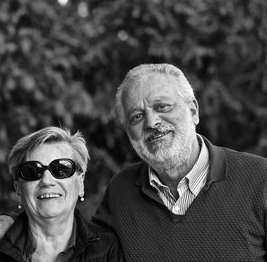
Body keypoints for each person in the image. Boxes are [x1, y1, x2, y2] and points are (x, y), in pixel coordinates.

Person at [92, 63, 267, 260]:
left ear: (193, 111)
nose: (151, 123)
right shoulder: (120, 192)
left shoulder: (260, 180)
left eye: (162, 107)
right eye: (137, 116)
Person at [0, 126, 125, 262]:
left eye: (61, 169)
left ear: (81, 182)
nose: (46, 181)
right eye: (32, 171)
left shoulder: (109, 248)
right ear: (18, 189)